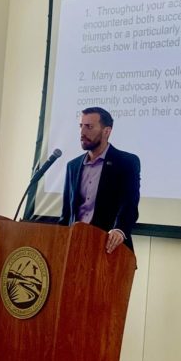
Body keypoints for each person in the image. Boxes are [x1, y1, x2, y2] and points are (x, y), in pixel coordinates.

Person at [59, 107, 140, 253]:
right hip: (74, 247)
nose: (82, 132)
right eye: (81, 126)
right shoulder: (73, 166)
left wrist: (119, 230)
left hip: (108, 248)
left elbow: (130, 204)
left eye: (89, 127)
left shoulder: (126, 162)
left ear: (107, 131)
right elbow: (66, 214)